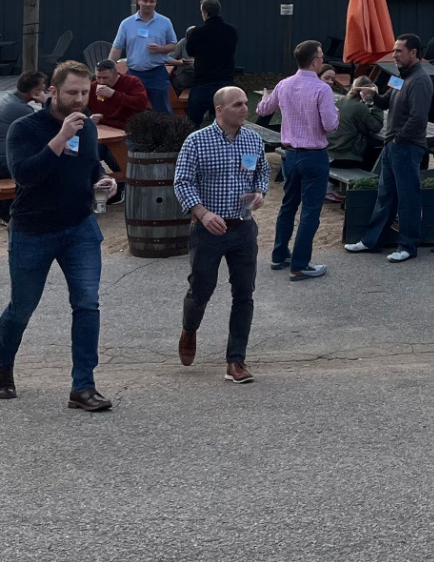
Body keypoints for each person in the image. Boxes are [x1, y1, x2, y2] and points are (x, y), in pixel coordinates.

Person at [0, 61, 117, 410]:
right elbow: (25, 175)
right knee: (22, 307)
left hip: (80, 227)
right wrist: (61, 136)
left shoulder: (86, 125)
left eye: (85, 92)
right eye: (72, 92)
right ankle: (3, 366)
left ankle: (83, 387)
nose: (79, 100)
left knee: (87, 303)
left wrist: (103, 180)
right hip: (34, 230)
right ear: (52, 92)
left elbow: (91, 164)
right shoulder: (24, 128)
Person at [172, 85, 268, 384]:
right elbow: (182, 182)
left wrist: (260, 191)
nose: (245, 108)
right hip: (207, 231)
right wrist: (202, 213)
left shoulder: (253, 139)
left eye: (245, 103)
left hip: (243, 228)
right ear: (219, 110)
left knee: (244, 294)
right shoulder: (196, 141)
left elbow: (263, 172)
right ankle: (189, 329)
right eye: (237, 104)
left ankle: (236, 361)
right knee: (201, 290)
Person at [347, 34, 434, 263]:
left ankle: (408, 246)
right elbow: (386, 101)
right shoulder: (400, 76)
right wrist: (373, 96)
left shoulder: (420, 80)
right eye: (394, 50)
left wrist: (399, 139)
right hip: (393, 145)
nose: (394, 55)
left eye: (399, 51)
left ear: (413, 53)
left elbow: (418, 118)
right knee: (385, 195)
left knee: (408, 197)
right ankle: (372, 241)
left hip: (406, 146)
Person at [258, 39, 339, 281]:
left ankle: (280, 254)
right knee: (310, 211)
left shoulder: (284, 84)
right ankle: (301, 264)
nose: (322, 61)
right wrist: (336, 113)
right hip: (314, 154)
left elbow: (263, 110)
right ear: (314, 62)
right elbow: (330, 125)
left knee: (288, 205)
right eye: (321, 57)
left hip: (290, 154)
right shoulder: (322, 89)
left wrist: (265, 97)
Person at [0, 71, 48, 225]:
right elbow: (45, 128)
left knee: (27, 156)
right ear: (35, 92)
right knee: (35, 167)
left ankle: (2, 205)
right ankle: (3, 211)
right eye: (43, 88)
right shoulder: (20, 109)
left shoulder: (10, 98)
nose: (45, 90)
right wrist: (46, 103)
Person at [111, 0, 178, 114]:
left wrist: (160, 49)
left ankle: (164, 128)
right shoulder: (126, 23)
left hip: (157, 73)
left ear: (156, 3)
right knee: (131, 109)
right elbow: (117, 47)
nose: (148, 4)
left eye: (151, 1)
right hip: (134, 74)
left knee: (162, 110)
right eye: (145, 1)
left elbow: (173, 45)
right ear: (139, 1)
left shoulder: (165, 22)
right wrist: (110, 67)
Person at [185, 0, 238, 126]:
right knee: (226, 122)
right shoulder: (231, 31)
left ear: (205, 13)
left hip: (203, 81)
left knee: (192, 122)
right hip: (225, 81)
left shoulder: (197, 32)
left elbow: (190, 51)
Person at [328, 81, 384, 172]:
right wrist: (376, 102)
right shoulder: (360, 106)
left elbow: (360, 127)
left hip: (329, 153)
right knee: (374, 155)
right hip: (344, 157)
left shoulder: (341, 101)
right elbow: (376, 127)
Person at [92, 58, 151, 133]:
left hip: (125, 128)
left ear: (116, 74)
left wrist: (114, 94)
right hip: (102, 127)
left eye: (105, 78)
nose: (101, 81)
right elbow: (83, 107)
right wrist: (89, 118)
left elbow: (141, 104)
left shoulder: (132, 82)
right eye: (98, 77)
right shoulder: (93, 86)